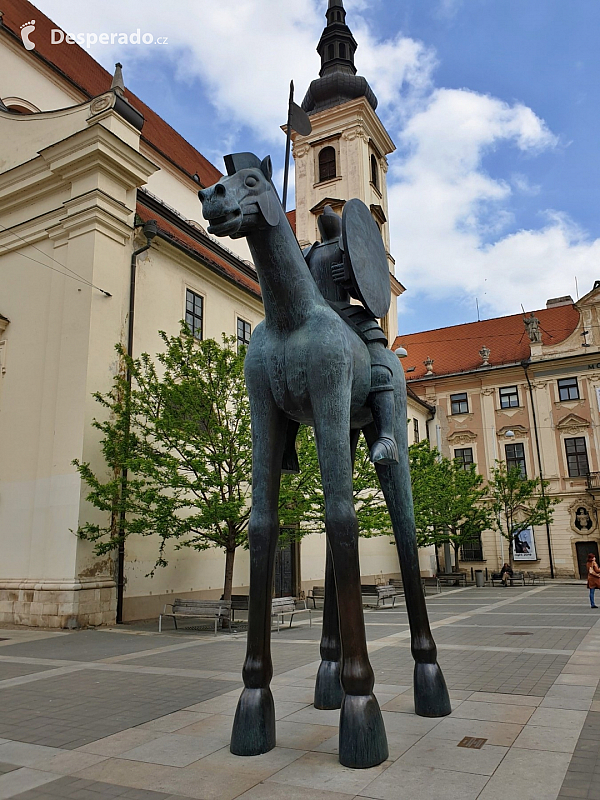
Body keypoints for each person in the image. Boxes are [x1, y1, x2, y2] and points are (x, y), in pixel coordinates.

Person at [304, 206, 398, 464]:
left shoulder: (347, 250)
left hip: (343, 310)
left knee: (377, 349)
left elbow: (367, 289)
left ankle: (387, 436)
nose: (325, 213)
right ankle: (285, 442)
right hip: (313, 313)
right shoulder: (307, 252)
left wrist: (349, 278)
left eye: (330, 212)